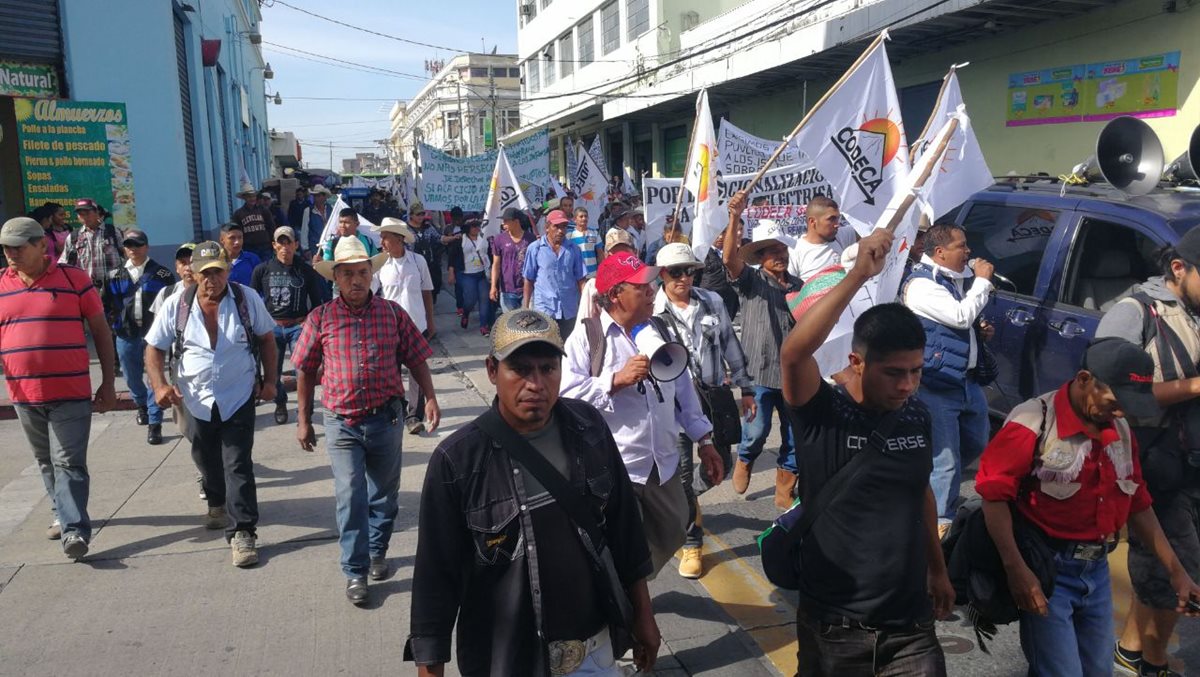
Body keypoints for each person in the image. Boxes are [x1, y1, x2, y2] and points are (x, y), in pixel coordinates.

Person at [406, 309, 661, 676]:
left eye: (547, 368)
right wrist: (430, 670)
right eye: (521, 369)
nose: (536, 384)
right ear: (492, 371)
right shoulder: (457, 462)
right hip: (510, 662)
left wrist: (643, 616)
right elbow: (435, 580)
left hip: (596, 653)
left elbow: (625, 533)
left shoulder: (589, 427)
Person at [780, 226, 954, 675]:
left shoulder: (916, 416)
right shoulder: (823, 415)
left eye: (915, 371)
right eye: (894, 373)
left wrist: (937, 569)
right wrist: (858, 274)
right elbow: (795, 355)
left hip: (911, 624)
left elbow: (921, 493)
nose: (907, 385)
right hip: (836, 628)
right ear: (858, 362)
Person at [977, 338, 1200, 676]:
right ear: (1084, 380)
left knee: (1098, 670)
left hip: (1095, 572)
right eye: (1115, 401)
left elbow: (1138, 502)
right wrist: (1017, 570)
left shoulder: (1120, 429)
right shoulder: (1031, 421)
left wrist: (1177, 572)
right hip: (1048, 571)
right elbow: (993, 498)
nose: (1122, 412)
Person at [294, 235, 441, 605]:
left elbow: (417, 359)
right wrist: (303, 419)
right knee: (349, 495)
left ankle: (377, 551)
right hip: (341, 423)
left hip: (385, 421)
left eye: (362, 273)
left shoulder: (392, 314)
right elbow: (305, 370)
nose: (356, 280)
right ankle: (355, 571)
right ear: (336, 278)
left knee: (384, 497)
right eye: (348, 274)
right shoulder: (321, 318)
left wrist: (431, 398)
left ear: (371, 275)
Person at [561, 251, 724, 576]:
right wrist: (615, 381)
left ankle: (626, 585)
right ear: (615, 295)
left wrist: (704, 440)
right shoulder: (588, 337)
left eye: (651, 285)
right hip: (616, 468)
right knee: (625, 545)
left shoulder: (660, 331)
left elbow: (684, 391)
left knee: (676, 527)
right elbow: (564, 395)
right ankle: (628, 599)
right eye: (641, 287)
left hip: (661, 463)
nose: (652, 291)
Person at [1097, 230, 1200, 677]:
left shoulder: (1193, 310)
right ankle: (1154, 664)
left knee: (1169, 569)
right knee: (1176, 568)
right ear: (1179, 269)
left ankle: (1131, 651)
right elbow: (1110, 395)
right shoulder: (1134, 312)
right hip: (1154, 464)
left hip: (1190, 462)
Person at [145, 241, 278, 568]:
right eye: (205, 273)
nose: (211, 279)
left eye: (217, 271)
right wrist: (160, 385)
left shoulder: (247, 299)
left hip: (239, 393)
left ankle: (243, 531)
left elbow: (267, 339)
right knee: (206, 459)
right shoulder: (176, 304)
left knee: (238, 462)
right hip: (195, 398)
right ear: (193, 273)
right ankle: (216, 500)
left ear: (228, 270)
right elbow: (153, 348)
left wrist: (271, 381)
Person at [0, 217, 117, 559]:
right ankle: (61, 511)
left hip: (70, 391)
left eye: (19, 247)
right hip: (24, 395)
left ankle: (74, 530)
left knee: (68, 461)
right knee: (45, 461)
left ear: (41, 246)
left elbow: (100, 332)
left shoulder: (74, 280)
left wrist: (108, 383)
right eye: (7, 248)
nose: (12, 254)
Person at [653, 243, 754, 579]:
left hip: (712, 401)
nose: (684, 277)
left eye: (689, 270)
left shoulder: (711, 301)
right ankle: (691, 542)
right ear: (662, 275)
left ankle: (679, 503)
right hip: (673, 406)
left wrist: (746, 387)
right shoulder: (651, 311)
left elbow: (730, 343)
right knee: (681, 472)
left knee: (719, 467)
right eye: (675, 271)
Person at [901, 223, 995, 538]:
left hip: (966, 382)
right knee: (947, 461)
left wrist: (976, 332)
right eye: (962, 246)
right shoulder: (921, 285)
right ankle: (938, 526)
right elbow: (958, 317)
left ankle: (925, 489)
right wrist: (982, 282)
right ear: (940, 252)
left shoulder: (953, 281)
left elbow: (959, 324)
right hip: (938, 385)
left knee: (976, 443)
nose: (968, 252)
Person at [722, 193, 804, 508]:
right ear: (761, 257)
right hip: (757, 371)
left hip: (793, 375)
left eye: (782, 250)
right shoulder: (751, 281)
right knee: (756, 431)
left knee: (795, 435)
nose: (780, 256)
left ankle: (786, 484)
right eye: (773, 252)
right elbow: (730, 259)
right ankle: (745, 459)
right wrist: (734, 217)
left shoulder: (798, 286)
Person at [103, 228, 175, 445]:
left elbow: (170, 303)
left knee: (155, 376)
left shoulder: (161, 274)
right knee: (132, 376)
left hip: (153, 335)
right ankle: (141, 405)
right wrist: (111, 326)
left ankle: (155, 422)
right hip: (125, 334)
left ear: (147, 246)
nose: (133, 249)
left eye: (137, 244)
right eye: (128, 245)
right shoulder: (113, 275)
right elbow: (105, 305)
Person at [250, 226, 325, 425]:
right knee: (273, 372)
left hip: (297, 326)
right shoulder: (262, 270)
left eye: (288, 242)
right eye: (280, 243)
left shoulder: (305, 270)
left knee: (303, 370)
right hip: (271, 327)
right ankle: (280, 402)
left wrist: (312, 327)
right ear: (274, 246)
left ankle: (305, 410)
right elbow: (251, 301)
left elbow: (317, 302)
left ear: (296, 245)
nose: (285, 247)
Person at [372, 217, 436, 434]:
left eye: (386, 237)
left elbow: (427, 292)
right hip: (389, 328)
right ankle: (396, 410)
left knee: (417, 372)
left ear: (399, 239)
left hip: (417, 325)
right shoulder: (379, 264)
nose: (382, 242)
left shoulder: (418, 261)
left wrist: (430, 321)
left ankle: (413, 416)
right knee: (392, 372)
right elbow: (371, 294)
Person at [151, 243, 199, 455]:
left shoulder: (213, 290)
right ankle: (205, 460)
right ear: (176, 267)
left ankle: (208, 469)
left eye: (192, 262)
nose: (188, 267)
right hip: (179, 367)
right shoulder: (167, 294)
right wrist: (159, 380)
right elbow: (157, 339)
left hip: (208, 366)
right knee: (186, 425)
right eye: (183, 263)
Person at [523, 209, 587, 339]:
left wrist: (586, 306)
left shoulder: (574, 249)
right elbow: (529, 280)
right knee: (546, 350)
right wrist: (525, 308)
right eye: (556, 226)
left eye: (564, 227)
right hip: (545, 310)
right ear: (547, 227)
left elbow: (581, 280)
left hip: (569, 309)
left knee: (568, 349)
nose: (561, 231)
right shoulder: (535, 249)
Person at [574, 229, 637, 330]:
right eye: (614, 255)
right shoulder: (593, 287)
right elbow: (583, 326)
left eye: (625, 254)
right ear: (606, 256)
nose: (619, 259)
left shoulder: (645, 283)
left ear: (635, 253)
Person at [788, 195, 858, 282]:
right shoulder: (794, 251)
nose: (837, 224)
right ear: (812, 221)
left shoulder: (842, 235)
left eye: (837, 218)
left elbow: (872, 233)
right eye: (831, 219)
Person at [59, 198, 122, 292]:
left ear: (96, 212)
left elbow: (127, 256)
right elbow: (64, 264)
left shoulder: (113, 232)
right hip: (86, 289)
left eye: (87, 213)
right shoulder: (74, 237)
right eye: (80, 214)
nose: (84, 217)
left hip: (114, 288)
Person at [450, 218, 493, 335]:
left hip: (482, 273)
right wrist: (451, 272)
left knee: (484, 299)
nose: (476, 228)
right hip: (467, 274)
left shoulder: (484, 238)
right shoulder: (460, 239)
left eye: (478, 225)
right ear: (467, 228)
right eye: (473, 226)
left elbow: (490, 254)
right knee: (470, 299)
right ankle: (466, 313)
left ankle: (484, 326)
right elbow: (452, 257)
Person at [490, 207, 535, 314]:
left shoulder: (531, 239)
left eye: (506, 221)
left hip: (528, 288)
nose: (503, 223)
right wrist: (493, 286)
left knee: (528, 323)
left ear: (516, 221)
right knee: (511, 324)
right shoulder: (499, 239)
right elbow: (496, 264)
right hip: (507, 289)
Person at [697, 225, 740, 319]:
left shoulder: (733, 252)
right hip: (709, 299)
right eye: (717, 234)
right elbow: (695, 278)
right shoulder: (701, 253)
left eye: (723, 233)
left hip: (730, 298)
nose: (720, 237)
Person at [408, 201, 444, 300]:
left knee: (431, 289)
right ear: (411, 215)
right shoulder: (405, 229)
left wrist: (451, 238)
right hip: (413, 265)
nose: (420, 217)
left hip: (429, 264)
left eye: (422, 214)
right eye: (418, 214)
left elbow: (439, 238)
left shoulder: (428, 227)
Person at [231, 186, 275, 261]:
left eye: (253, 196)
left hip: (265, 246)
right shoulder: (238, 214)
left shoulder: (264, 210)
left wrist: (273, 242)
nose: (252, 199)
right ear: (244, 198)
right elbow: (235, 231)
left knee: (267, 268)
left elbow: (271, 227)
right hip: (249, 247)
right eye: (249, 196)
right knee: (253, 270)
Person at [567, 207, 604, 277]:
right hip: (577, 274)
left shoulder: (594, 233)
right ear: (575, 219)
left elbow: (600, 253)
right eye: (581, 216)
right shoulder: (570, 235)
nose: (584, 218)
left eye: (586, 216)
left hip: (593, 273)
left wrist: (601, 270)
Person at [302, 185, 333, 255]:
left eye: (318, 196)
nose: (316, 198)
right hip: (315, 248)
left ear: (324, 197)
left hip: (330, 246)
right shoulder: (308, 211)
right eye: (315, 196)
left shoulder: (331, 209)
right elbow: (305, 230)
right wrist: (306, 249)